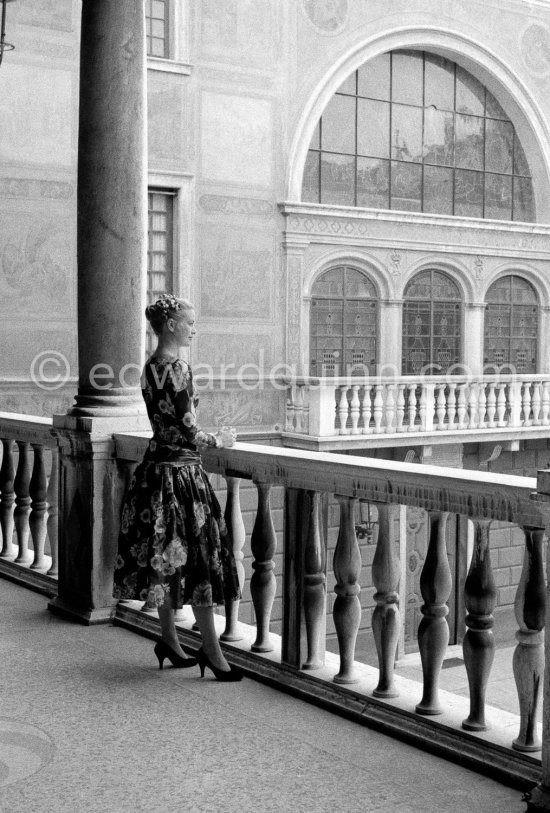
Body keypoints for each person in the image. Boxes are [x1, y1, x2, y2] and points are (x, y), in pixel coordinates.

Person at [113, 294, 243, 681]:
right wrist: (221, 440)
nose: (193, 327)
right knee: (198, 561)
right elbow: (188, 429)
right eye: (189, 321)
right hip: (181, 476)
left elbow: (166, 423)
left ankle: (169, 638)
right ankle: (213, 652)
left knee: (166, 559)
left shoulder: (149, 367)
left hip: (154, 473)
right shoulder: (178, 368)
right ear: (171, 325)